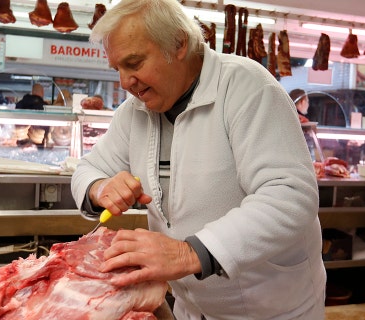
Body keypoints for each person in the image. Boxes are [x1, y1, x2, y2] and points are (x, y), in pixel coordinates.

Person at [70, 0, 326, 318]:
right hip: (191, 308)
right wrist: (100, 186)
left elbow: (290, 195)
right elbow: (88, 169)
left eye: (134, 64)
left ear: (179, 44)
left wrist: (189, 252)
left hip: (271, 309)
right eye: (118, 69)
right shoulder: (133, 112)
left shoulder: (247, 88)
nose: (124, 82)